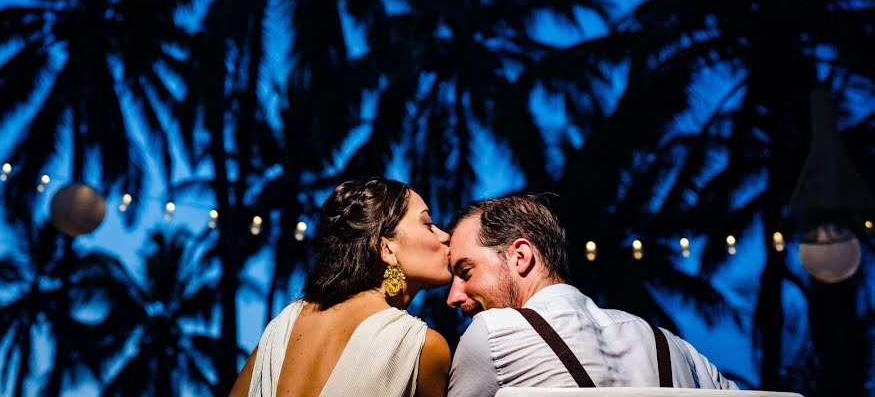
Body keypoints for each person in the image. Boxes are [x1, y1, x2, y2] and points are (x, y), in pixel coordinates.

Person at [445, 192, 739, 396]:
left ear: (520, 256)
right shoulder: (675, 347)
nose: (453, 296)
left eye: (465, 272)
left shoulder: (493, 333)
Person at [230, 177, 452, 397]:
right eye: (428, 225)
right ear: (386, 249)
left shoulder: (281, 327)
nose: (445, 236)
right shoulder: (421, 347)